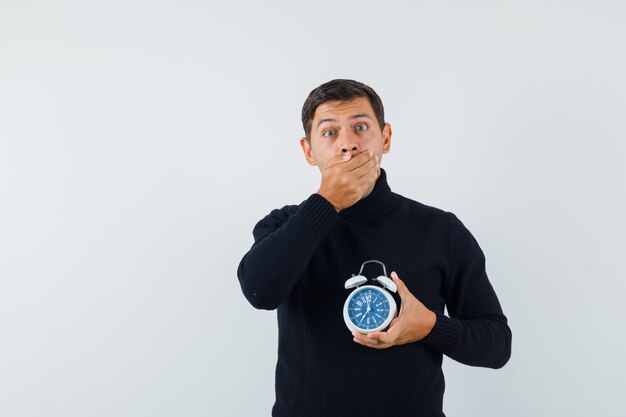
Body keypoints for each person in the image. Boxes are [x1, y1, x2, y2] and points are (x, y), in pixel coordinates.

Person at [237, 79, 511, 417]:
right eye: (329, 133)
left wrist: (429, 326)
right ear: (309, 151)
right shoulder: (283, 226)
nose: (348, 144)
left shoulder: (441, 231)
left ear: (385, 138)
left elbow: (497, 345)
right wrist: (326, 203)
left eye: (361, 127)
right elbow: (259, 292)